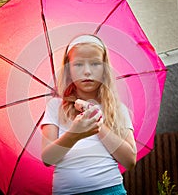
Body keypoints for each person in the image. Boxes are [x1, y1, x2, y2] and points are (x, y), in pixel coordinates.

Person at [41, 34, 137, 195]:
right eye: (78, 64)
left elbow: (130, 161)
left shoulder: (117, 109)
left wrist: (98, 125)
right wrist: (74, 134)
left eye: (95, 63)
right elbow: (48, 159)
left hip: (110, 190)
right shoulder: (55, 107)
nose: (87, 71)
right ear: (68, 70)